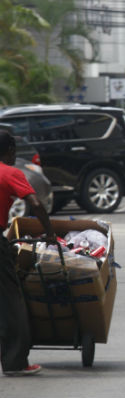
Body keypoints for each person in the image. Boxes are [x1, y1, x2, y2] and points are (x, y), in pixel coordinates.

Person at [0, 129, 55, 376]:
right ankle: (15, 362)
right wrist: (50, 233)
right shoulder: (10, 172)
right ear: (10, 151)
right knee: (10, 302)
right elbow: (35, 204)